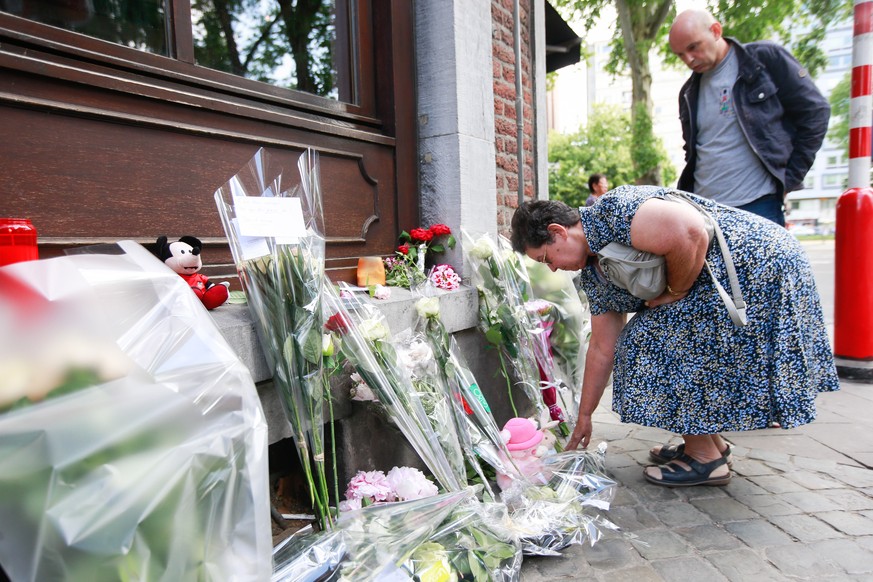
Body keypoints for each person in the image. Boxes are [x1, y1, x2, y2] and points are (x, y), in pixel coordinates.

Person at [510, 186, 838, 487]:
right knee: (652, 336)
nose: (551, 268)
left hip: (759, 266)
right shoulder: (595, 274)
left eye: (546, 258)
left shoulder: (613, 211)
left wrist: (674, 292)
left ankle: (704, 459)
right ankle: (710, 444)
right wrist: (584, 417)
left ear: (558, 232)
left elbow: (690, 231)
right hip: (737, 276)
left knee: (648, 341)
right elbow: (601, 348)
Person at [669, 10, 830, 227]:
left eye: (693, 47)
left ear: (716, 31)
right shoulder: (688, 92)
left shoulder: (764, 59)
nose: (688, 59)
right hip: (703, 212)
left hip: (758, 206)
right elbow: (693, 151)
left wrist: (788, 178)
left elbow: (816, 112)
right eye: (680, 54)